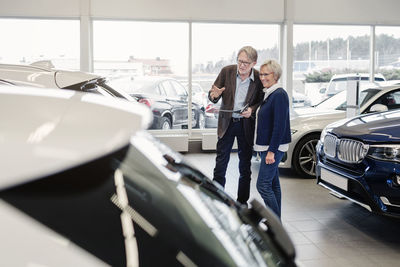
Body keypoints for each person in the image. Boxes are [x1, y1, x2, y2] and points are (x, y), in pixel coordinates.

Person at [208, 46, 264, 205]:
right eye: (240, 61)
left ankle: (242, 202)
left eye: (246, 63)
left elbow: (261, 101)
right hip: (227, 123)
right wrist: (213, 96)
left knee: (245, 167)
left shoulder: (259, 78)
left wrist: (252, 110)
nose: (242, 66)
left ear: (254, 63)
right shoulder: (227, 72)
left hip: (245, 125)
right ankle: (217, 200)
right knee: (221, 164)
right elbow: (213, 93)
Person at [254, 59, 291, 219]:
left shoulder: (279, 95)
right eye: (261, 74)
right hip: (267, 148)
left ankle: (275, 227)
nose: (262, 77)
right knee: (273, 184)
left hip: (273, 148)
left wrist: (271, 151)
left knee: (262, 185)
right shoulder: (269, 94)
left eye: (266, 74)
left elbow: (279, 126)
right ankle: (277, 223)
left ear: (275, 75)